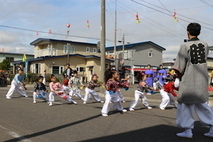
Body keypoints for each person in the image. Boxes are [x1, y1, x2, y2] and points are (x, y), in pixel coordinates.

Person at [173, 23, 213, 138]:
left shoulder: (185, 46)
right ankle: (212, 127)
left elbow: (180, 66)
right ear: (199, 32)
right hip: (201, 79)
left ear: (188, 32)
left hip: (189, 79)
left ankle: (188, 131)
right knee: (203, 104)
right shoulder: (205, 44)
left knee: (186, 105)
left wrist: (176, 78)